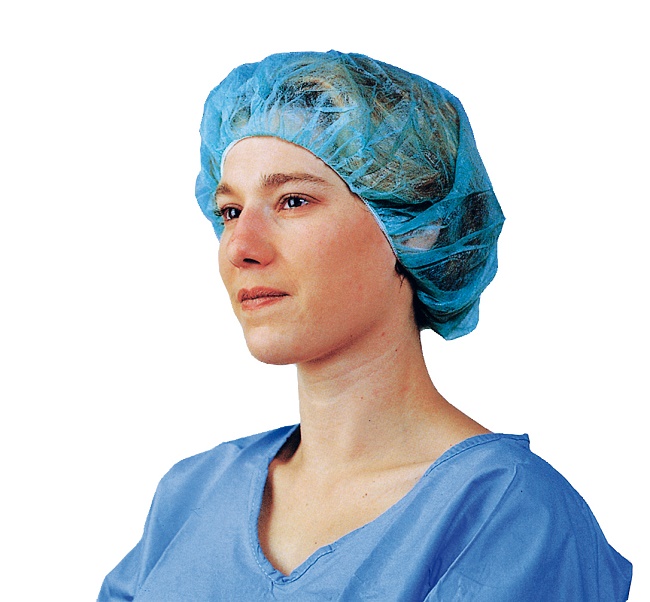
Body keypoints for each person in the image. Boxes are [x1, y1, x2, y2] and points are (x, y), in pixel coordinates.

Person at [98, 50, 632, 600]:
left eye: (293, 200)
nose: (239, 247)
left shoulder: (508, 517)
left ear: (417, 229)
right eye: (230, 211)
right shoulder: (191, 495)